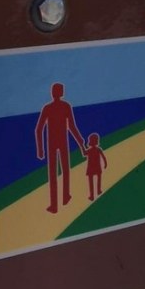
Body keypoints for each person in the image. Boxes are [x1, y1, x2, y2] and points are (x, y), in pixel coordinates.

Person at [35, 83, 85, 214]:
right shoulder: (59, 107)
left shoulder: (57, 107)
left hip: (58, 143)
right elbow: (39, 129)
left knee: (58, 172)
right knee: (59, 172)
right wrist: (40, 149)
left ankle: (61, 199)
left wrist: (80, 142)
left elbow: (39, 129)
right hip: (57, 143)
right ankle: (59, 200)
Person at [83, 133, 107, 201]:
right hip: (95, 167)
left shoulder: (94, 150)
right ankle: (95, 192)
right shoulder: (95, 150)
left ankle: (94, 194)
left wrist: (82, 146)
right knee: (95, 180)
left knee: (93, 181)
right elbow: (103, 157)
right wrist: (105, 163)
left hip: (92, 167)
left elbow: (84, 153)